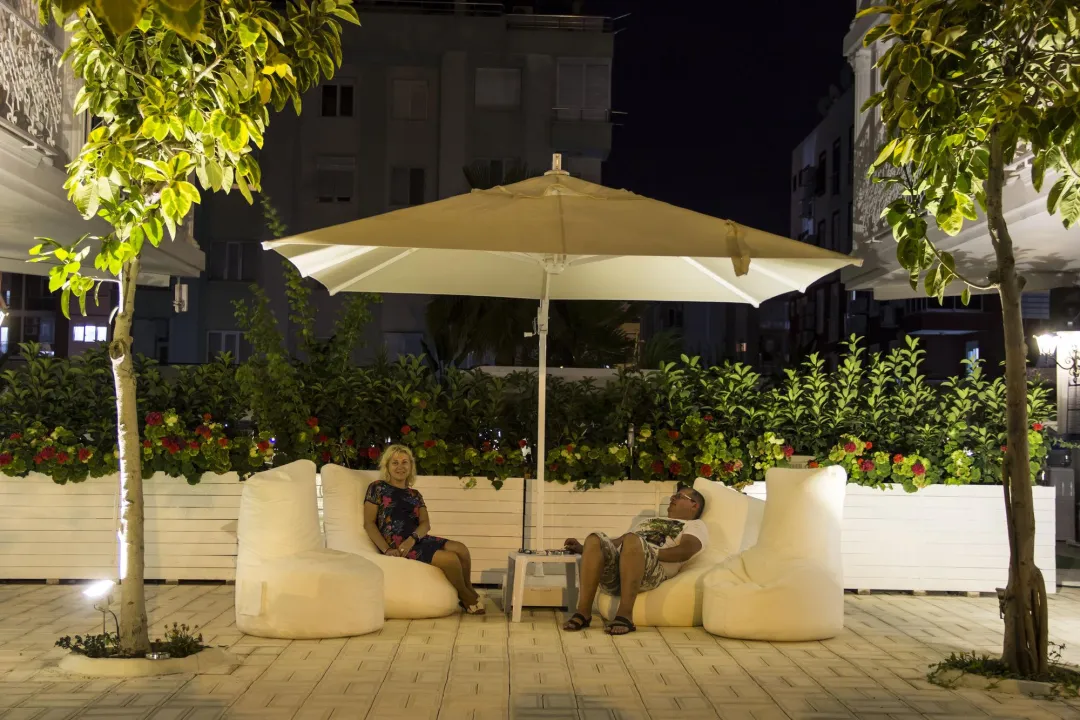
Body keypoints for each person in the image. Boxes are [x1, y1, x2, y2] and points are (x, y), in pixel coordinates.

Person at [561, 484, 708, 635]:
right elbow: (618, 542)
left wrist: (647, 552)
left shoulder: (695, 525)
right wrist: (583, 548)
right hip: (619, 569)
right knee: (594, 538)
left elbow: (686, 550)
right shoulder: (650, 520)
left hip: (650, 573)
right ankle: (583, 613)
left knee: (632, 540)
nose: (672, 498)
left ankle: (625, 615)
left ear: (694, 505)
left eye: (678, 496)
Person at [363, 444, 485, 615]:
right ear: (387, 466)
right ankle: (466, 597)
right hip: (397, 545)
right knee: (450, 559)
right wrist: (387, 549)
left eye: (404, 462)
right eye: (395, 463)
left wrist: (413, 538)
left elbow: (425, 524)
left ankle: (469, 589)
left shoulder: (415, 494)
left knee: (461, 549)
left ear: (411, 466)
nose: (400, 467)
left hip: (416, 539)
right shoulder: (377, 488)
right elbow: (369, 523)